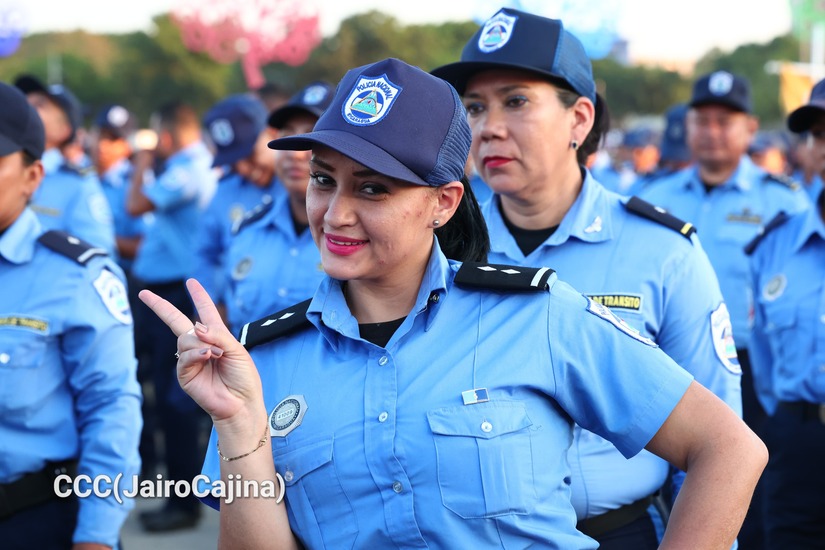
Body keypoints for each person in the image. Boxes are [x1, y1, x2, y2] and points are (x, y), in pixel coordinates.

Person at [138, 57, 766, 549]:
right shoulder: (265, 361)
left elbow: (730, 448)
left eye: (374, 188)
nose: (336, 212)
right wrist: (239, 428)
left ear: (442, 202)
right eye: (325, 179)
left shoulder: (536, 316)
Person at [432, 8, 741, 547]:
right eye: (475, 107)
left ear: (579, 119)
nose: (489, 127)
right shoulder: (438, 246)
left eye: (516, 101)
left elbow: (720, 444)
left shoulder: (661, 250)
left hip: (623, 531)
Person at [637, 70, 810, 549]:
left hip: (749, 373)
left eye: (724, 121)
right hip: (665, 369)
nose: (712, 131)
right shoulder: (654, 199)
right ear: (688, 126)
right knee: (661, 490)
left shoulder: (783, 201)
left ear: (750, 129)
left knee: (752, 498)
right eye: (703, 120)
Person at [0, 82, 142, 549]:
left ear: (32, 176)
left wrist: (97, 535)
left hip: (35, 519)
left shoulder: (74, 276)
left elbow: (112, 408)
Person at [126, 100, 217, 532]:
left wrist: (143, 160)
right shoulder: (187, 164)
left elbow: (136, 204)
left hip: (175, 293)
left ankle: (184, 501)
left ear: (167, 135)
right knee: (165, 392)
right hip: (165, 289)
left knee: (176, 396)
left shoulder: (186, 167)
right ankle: (180, 490)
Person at [746, 77, 825, 549]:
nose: (823, 146)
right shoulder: (774, 244)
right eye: (817, 134)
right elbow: (765, 362)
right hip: (797, 441)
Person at [224, 82, 333, 335]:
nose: (294, 153)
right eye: (288, 134)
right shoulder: (247, 230)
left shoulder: (357, 237)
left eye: (311, 136)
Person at [195, 94, 280, 319]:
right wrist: (210, 306)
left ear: (272, 132)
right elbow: (204, 253)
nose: (243, 169)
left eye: (250, 154)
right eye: (233, 162)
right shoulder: (226, 192)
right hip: (237, 323)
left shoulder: (304, 186)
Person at [14, 74, 115, 254]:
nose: (25, 107)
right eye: (23, 101)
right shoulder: (9, 167)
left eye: (39, 105)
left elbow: (98, 258)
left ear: (64, 130)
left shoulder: (78, 185)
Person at [90, 104, 145, 275]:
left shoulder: (135, 184)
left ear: (127, 146)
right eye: (100, 134)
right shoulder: (79, 176)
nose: (102, 145)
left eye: (113, 139)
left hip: (118, 275)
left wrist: (90, 236)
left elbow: (142, 246)